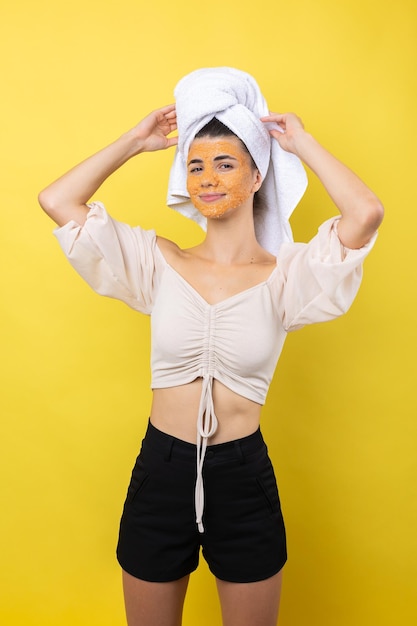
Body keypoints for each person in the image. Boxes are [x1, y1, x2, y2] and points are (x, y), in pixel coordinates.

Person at [38, 67, 383, 626]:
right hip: (161, 468)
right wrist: (134, 141)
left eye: (226, 164)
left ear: (256, 177)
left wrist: (301, 143)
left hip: (243, 478)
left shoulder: (287, 275)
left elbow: (365, 214)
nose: (208, 178)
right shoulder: (159, 261)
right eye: (195, 166)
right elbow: (57, 200)